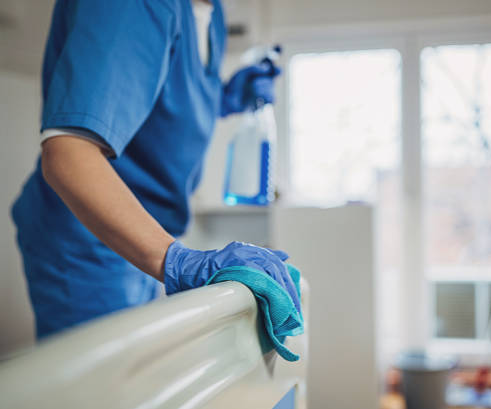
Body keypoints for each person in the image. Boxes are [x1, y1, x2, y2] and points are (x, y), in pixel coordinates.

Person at [11, 0, 299, 338]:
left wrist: (221, 99)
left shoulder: (212, 12)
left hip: (147, 234)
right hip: (89, 237)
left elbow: (150, 101)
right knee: (111, 386)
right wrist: (178, 262)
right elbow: (69, 154)